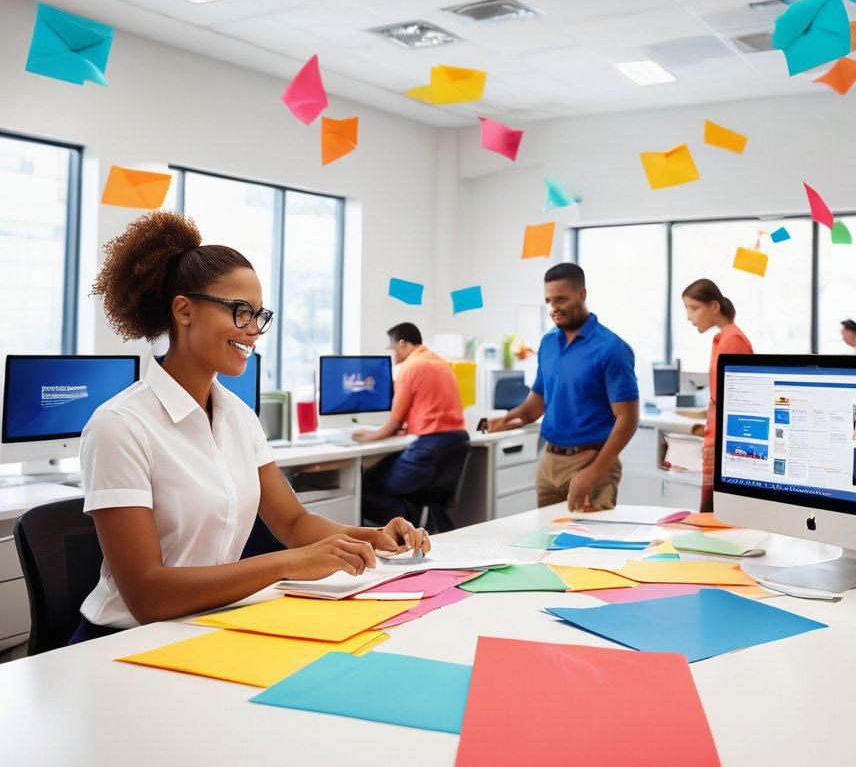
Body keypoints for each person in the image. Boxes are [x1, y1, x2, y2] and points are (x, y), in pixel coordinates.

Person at [76, 212, 427, 644]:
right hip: (121, 641)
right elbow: (148, 597)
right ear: (183, 310)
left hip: (207, 626)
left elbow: (294, 523)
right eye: (240, 312)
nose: (254, 331)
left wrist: (370, 538)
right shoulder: (120, 426)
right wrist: (289, 563)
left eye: (259, 315)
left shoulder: (238, 417)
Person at [487, 263, 639, 512]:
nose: (554, 308)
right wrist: (507, 419)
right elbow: (536, 404)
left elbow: (628, 420)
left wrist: (591, 474)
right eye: (549, 301)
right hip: (549, 463)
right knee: (545, 544)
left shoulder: (612, 349)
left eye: (561, 300)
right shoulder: (548, 344)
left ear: (582, 294)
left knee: (587, 548)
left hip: (591, 461)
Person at [354, 322, 469, 525]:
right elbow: (430, 409)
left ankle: (402, 525)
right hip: (455, 442)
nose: (392, 355)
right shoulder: (440, 362)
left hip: (430, 448)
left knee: (364, 482)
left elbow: (395, 419)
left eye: (391, 349)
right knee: (385, 472)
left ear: (402, 344)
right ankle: (407, 520)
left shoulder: (410, 367)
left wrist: (368, 436)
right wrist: (404, 427)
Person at [682, 278, 753, 512]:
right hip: (716, 435)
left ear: (714, 306)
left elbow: (736, 401)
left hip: (727, 442)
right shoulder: (721, 337)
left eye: (694, 308)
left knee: (718, 513)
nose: (689, 316)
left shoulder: (732, 339)